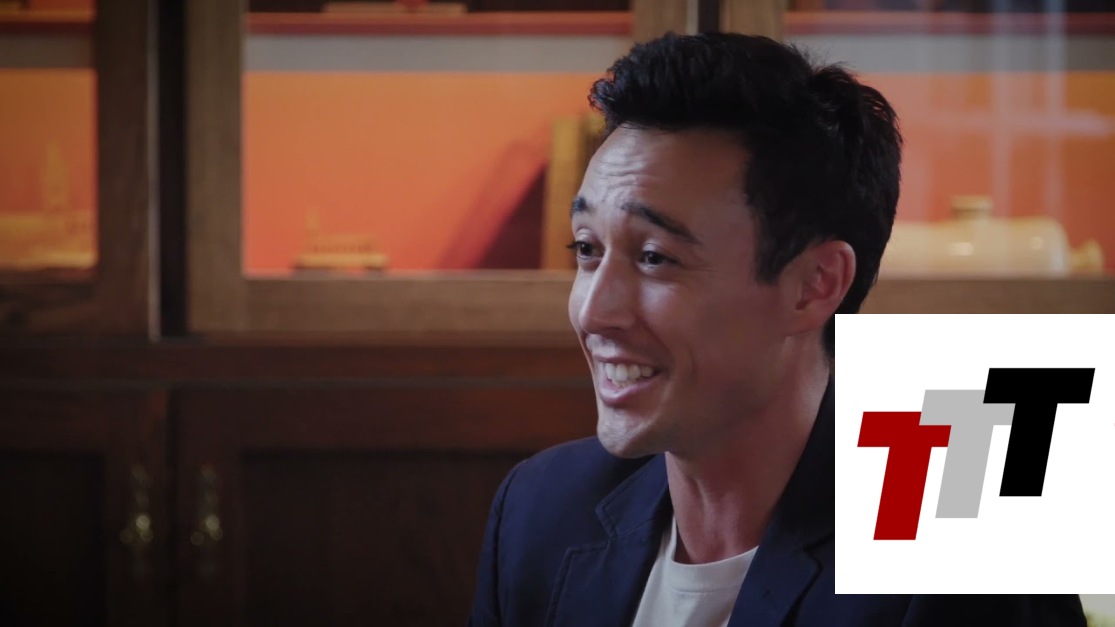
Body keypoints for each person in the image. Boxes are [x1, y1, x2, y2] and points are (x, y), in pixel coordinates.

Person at [468, 32, 1085, 626]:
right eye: (587, 248)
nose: (593, 312)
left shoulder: (967, 549)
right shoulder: (541, 509)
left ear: (815, 284)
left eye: (655, 257)